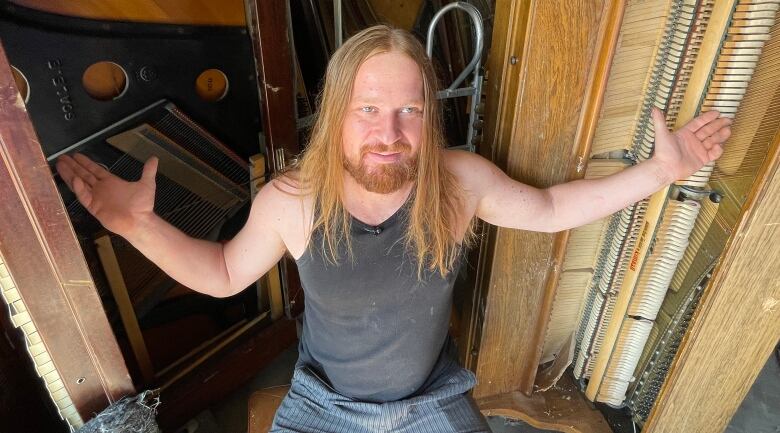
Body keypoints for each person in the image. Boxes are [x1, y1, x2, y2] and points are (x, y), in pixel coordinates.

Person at [56, 25, 731, 433]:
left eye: (409, 110)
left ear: (429, 116)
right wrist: (139, 227)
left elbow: (551, 209)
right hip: (324, 404)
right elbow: (225, 271)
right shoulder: (294, 199)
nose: (389, 133)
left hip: (429, 401)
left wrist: (658, 172)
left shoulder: (458, 182)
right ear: (336, 114)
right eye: (369, 108)